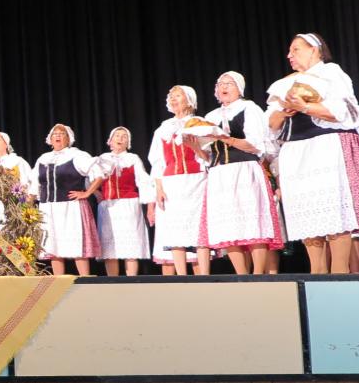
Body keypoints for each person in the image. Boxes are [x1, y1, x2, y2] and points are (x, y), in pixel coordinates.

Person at [266, 33, 359, 273]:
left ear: (314, 50)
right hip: (296, 151)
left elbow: (342, 112)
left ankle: (339, 273)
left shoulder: (331, 74)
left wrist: (305, 106)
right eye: (289, 51)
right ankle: (317, 273)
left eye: (296, 49)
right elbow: (271, 124)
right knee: (308, 215)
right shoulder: (286, 84)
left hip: (326, 147)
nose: (289, 55)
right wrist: (285, 110)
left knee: (334, 212)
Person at [198, 71, 283, 274]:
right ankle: (241, 276)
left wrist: (227, 139)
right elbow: (207, 156)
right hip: (219, 175)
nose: (223, 87)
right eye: (220, 84)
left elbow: (255, 145)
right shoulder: (210, 117)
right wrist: (193, 145)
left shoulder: (249, 108)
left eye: (229, 83)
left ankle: (258, 274)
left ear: (240, 88)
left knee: (253, 222)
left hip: (245, 170)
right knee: (229, 226)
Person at [148, 85, 211, 275]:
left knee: (199, 228)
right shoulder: (164, 128)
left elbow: (209, 157)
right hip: (171, 184)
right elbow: (157, 162)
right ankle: (182, 276)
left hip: (197, 181)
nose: (173, 99)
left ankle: (204, 276)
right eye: (171, 96)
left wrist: (195, 147)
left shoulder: (200, 123)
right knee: (175, 229)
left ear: (189, 100)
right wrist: (159, 189)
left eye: (178, 96)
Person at [30, 124, 104, 276]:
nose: (58, 135)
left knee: (76, 246)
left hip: (71, 207)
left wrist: (86, 193)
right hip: (48, 208)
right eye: (55, 133)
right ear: (50, 139)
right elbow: (34, 185)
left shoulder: (77, 155)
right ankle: (59, 282)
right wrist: (28, 206)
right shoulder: (43, 158)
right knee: (54, 248)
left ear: (68, 138)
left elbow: (99, 175)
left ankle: (86, 280)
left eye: (62, 133)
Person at [95, 126, 153, 276]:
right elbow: (90, 180)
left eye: (124, 136)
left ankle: (131, 282)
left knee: (130, 246)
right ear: (110, 141)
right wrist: (96, 193)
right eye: (117, 136)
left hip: (129, 206)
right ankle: (112, 282)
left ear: (128, 142)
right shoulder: (102, 159)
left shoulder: (132, 158)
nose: (120, 138)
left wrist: (150, 207)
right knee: (110, 248)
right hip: (108, 207)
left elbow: (144, 182)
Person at [0, 131, 34, 230]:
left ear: (6, 144)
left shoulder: (17, 161)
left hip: (12, 203)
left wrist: (26, 197)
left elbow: (29, 182)